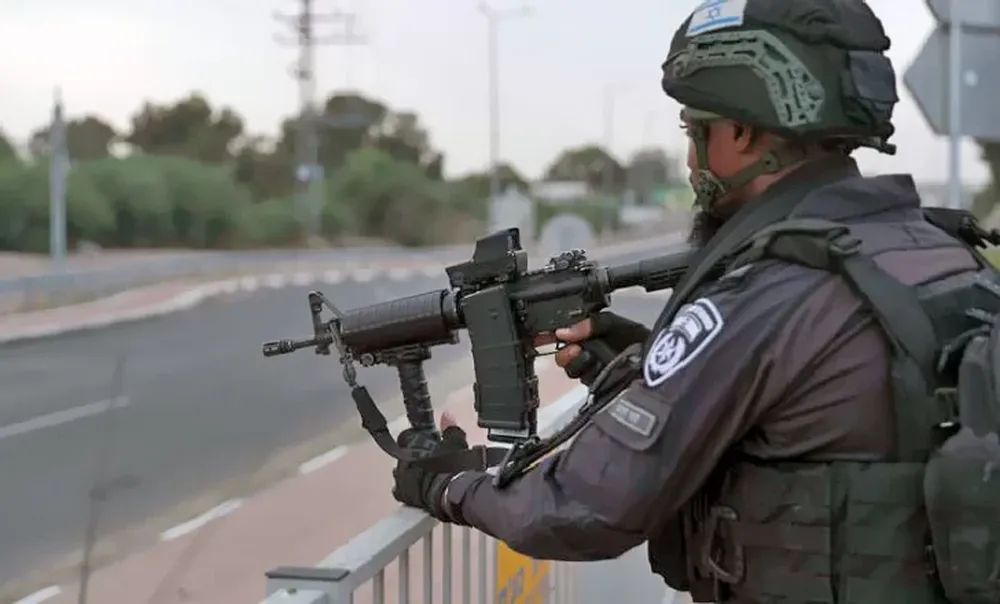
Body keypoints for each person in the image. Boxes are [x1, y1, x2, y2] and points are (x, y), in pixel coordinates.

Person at [391, 1, 1000, 602]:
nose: (689, 161)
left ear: (742, 133)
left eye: (694, 131)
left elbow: (582, 506)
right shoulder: (943, 252)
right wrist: (648, 364)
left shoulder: (770, 291)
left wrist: (453, 486)